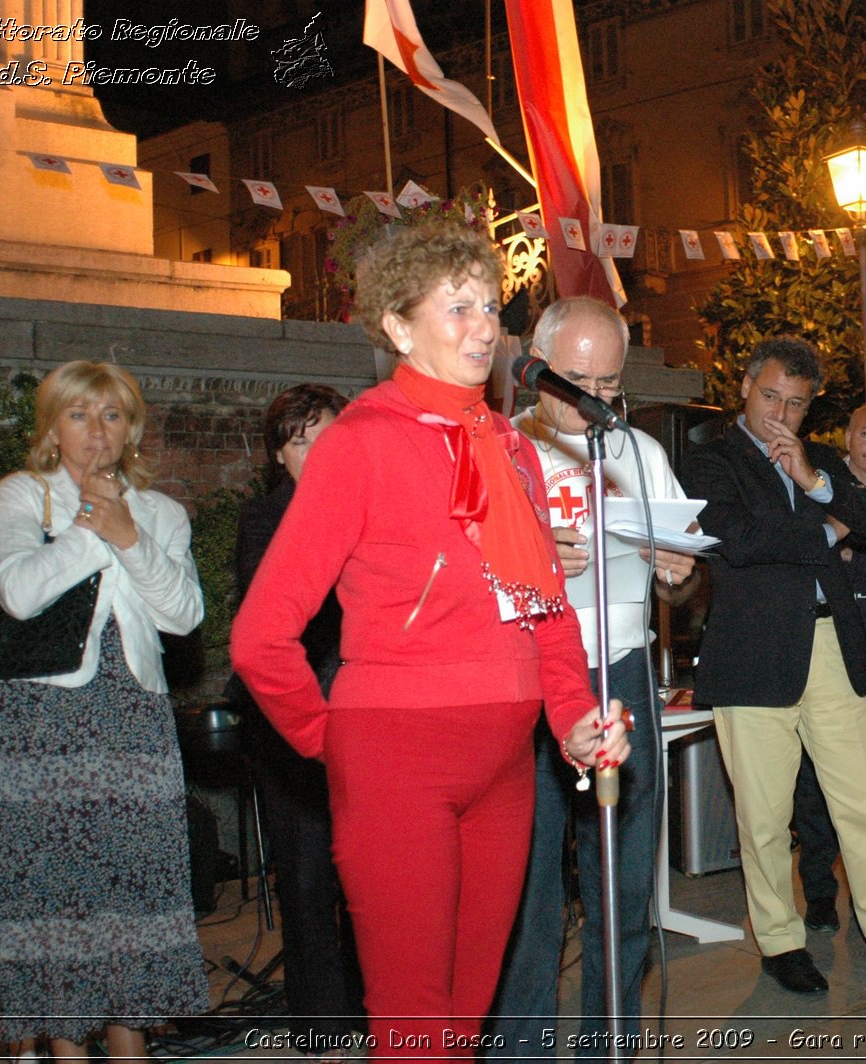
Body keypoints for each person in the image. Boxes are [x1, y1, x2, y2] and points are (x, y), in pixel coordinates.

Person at [230, 223, 629, 1057]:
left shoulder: (511, 447)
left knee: (464, 1016)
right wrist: (331, 743)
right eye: (457, 307)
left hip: (505, 770)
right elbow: (262, 636)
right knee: (413, 1020)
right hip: (395, 763)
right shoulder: (361, 443)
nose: (485, 325)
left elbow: (547, 610)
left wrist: (574, 721)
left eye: (490, 305)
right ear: (399, 328)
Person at [0, 360, 208, 1061]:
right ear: (52, 427)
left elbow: (184, 615)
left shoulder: (162, 512)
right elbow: (18, 592)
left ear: (130, 427)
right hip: (38, 725)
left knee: (128, 908)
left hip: (131, 720)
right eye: (78, 415)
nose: (96, 431)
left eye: (110, 415)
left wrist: (129, 533)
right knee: (53, 904)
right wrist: (91, 527)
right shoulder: (20, 497)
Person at [679, 336, 866, 995]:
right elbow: (740, 542)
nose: (779, 415)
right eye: (769, 398)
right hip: (754, 655)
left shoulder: (819, 461)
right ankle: (781, 941)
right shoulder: (711, 464)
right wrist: (827, 528)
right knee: (763, 818)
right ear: (743, 388)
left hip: (834, 649)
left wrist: (817, 485)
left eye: (794, 404)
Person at [489, 297, 696, 1055]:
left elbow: (679, 577)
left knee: (625, 881)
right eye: (576, 381)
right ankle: (523, 1049)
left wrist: (678, 574)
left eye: (610, 384)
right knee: (530, 887)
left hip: (622, 670)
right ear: (536, 370)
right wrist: (526, 562)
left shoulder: (640, 453)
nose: (594, 402)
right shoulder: (502, 450)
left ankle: (608, 1045)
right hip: (527, 677)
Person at [226, 384, 364, 1055]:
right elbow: (275, 623)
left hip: (365, 717)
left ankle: (379, 1017)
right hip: (292, 722)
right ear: (280, 455)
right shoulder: (266, 518)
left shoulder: (370, 510)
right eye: (300, 438)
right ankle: (322, 1028)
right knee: (307, 879)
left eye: (329, 434)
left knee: (367, 877)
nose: (316, 449)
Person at [791, 402, 866, 934]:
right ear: (847, 435)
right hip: (823, 644)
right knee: (815, 781)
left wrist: (852, 559)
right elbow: (808, 555)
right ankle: (819, 891)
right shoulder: (818, 485)